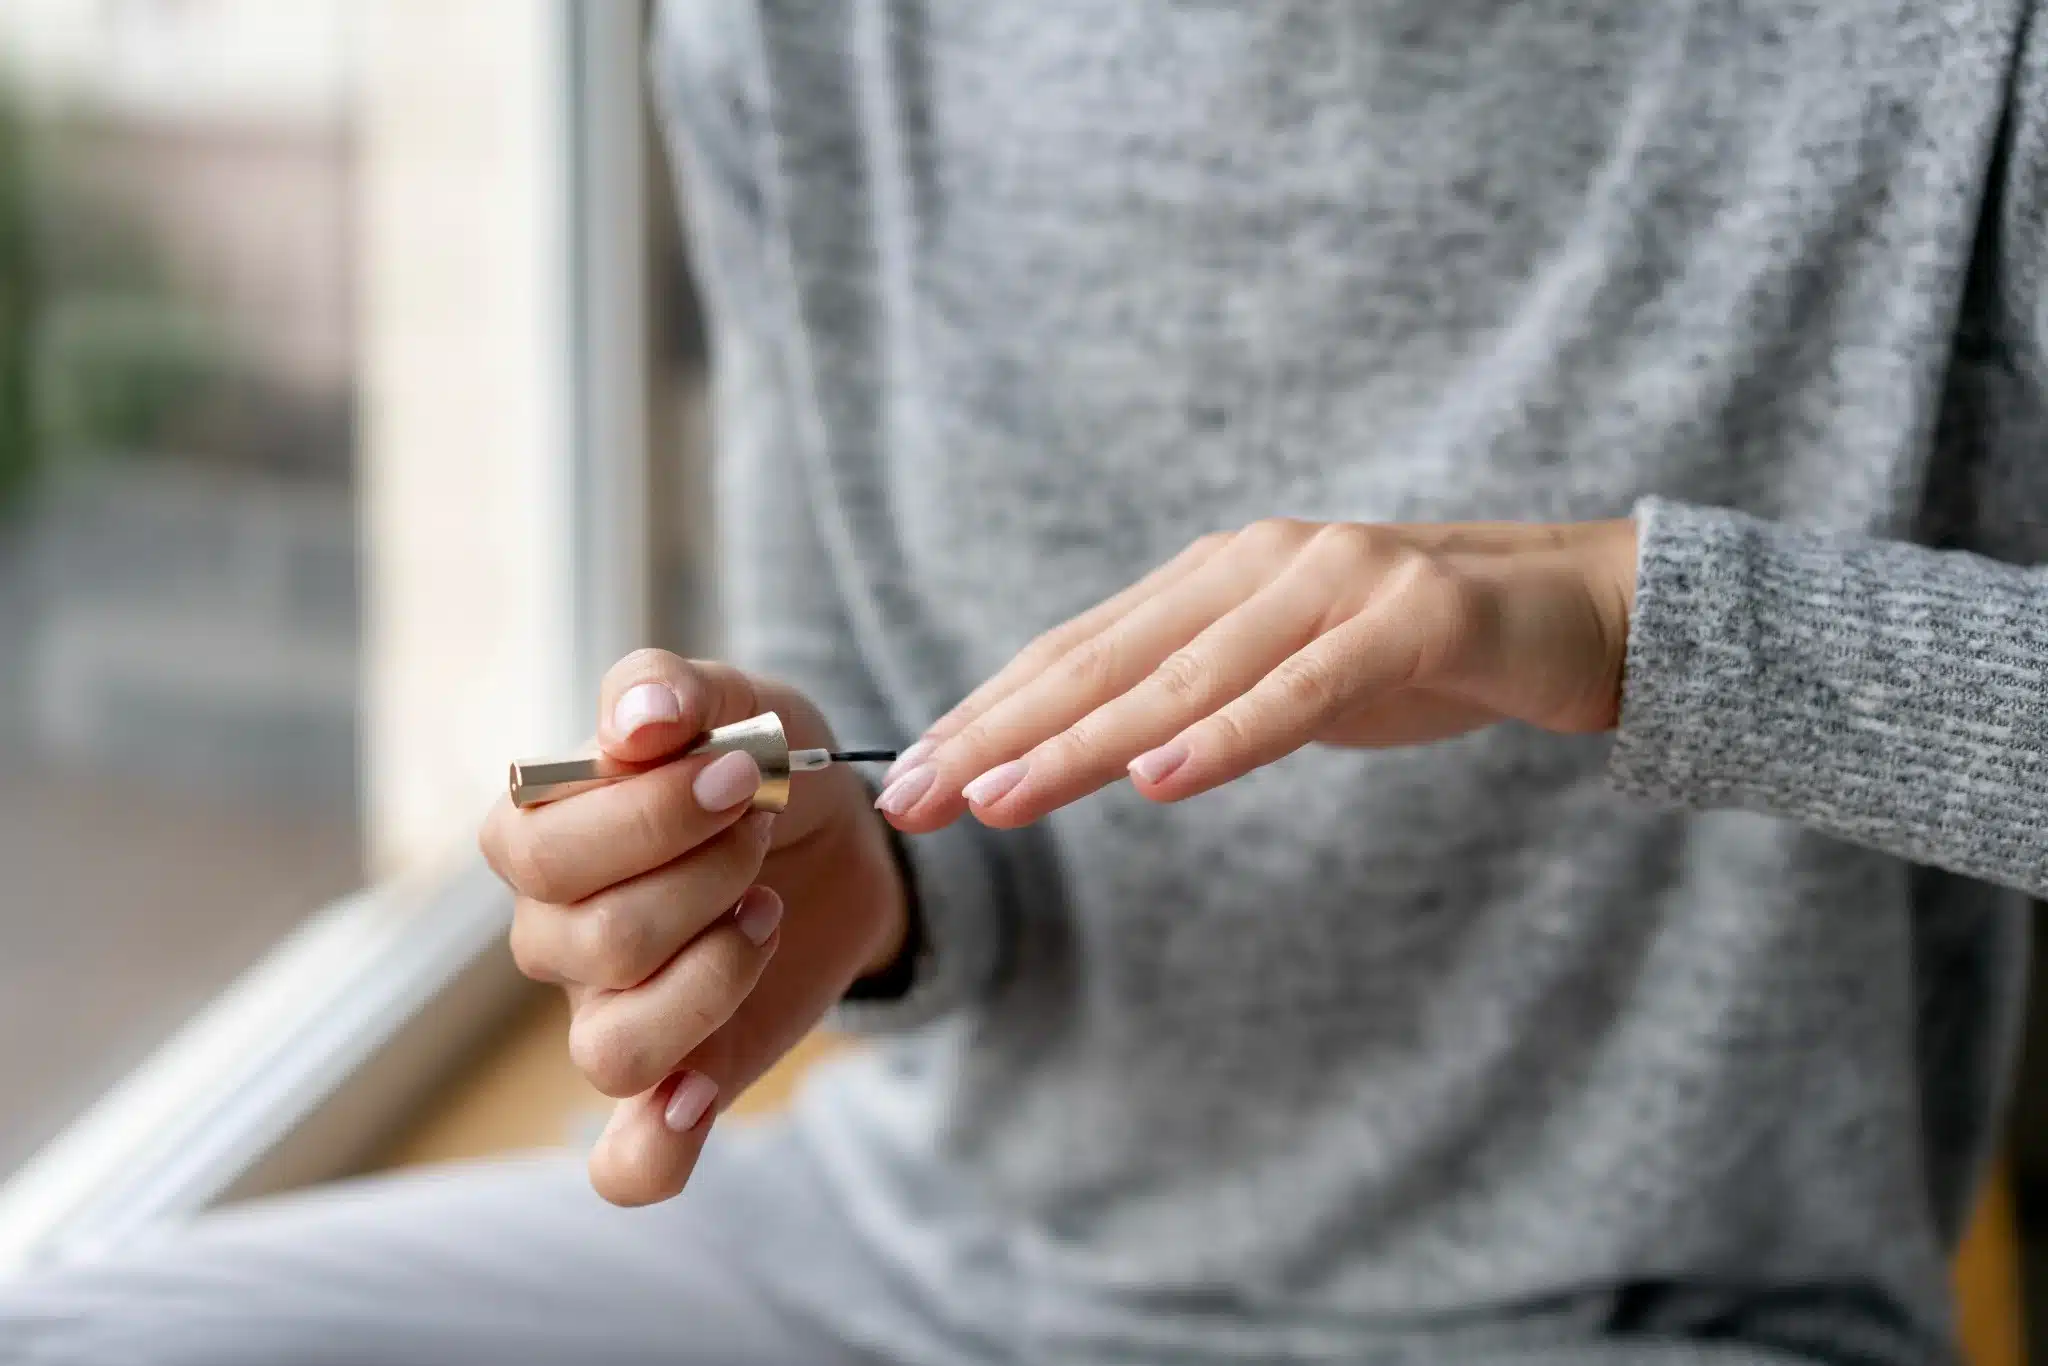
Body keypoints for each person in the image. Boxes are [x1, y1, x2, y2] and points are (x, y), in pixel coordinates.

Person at [8, 2, 2048, 1363]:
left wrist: (1621, 617)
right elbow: (860, 728)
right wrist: (842, 880)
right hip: (906, 1267)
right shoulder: (797, 31)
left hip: (1649, 1315)